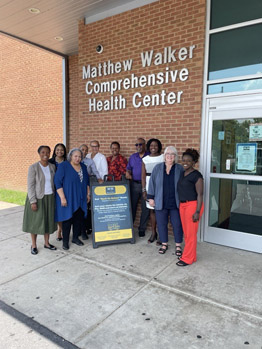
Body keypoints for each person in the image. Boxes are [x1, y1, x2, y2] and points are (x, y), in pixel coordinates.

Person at [147, 146, 184, 255]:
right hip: (160, 201)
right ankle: (164, 244)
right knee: (162, 224)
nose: (170, 156)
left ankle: (178, 245)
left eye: (172, 154)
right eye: (168, 154)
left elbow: (184, 185)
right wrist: (151, 198)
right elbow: (152, 183)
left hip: (175, 202)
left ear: (175, 157)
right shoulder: (157, 168)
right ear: (164, 156)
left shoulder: (179, 169)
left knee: (177, 224)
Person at [22, 145, 57, 255]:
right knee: (35, 222)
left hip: (49, 197)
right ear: (39, 153)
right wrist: (33, 201)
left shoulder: (52, 167)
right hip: (38, 198)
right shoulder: (33, 167)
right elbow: (30, 186)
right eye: (43, 152)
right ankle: (34, 245)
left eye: (47, 152)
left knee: (48, 221)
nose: (45, 154)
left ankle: (47, 243)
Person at [54, 148, 90, 250]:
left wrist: (88, 194)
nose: (77, 158)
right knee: (67, 220)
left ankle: (75, 238)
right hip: (68, 198)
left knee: (78, 219)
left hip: (81, 198)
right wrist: (62, 197)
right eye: (75, 156)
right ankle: (65, 242)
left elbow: (86, 182)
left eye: (79, 156)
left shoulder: (83, 166)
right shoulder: (64, 166)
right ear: (71, 156)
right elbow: (57, 182)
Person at [176, 149, 204, 267]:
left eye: (189, 161)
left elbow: (200, 194)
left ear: (194, 162)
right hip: (183, 205)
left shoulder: (197, 175)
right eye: (184, 160)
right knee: (187, 233)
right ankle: (191, 256)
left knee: (191, 233)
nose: (185, 162)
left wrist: (197, 211)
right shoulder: (183, 173)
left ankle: (187, 259)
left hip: (193, 205)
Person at [126, 138, 150, 237]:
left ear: (145, 145)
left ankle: (142, 229)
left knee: (145, 208)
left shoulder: (149, 156)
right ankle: (130, 228)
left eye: (140, 144)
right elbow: (128, 169)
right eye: (136, 145)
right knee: (132, 207)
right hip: (134, 184)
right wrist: (127, 173)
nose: (138, 146)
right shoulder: (133, 157)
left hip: (146, 185)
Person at [142, 138, 164, 243]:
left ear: (159, 146)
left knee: (161, 210)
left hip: (161, 186)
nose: (153, 147)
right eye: (151, 145)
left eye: (155, 145)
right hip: (149, 185)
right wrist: (143, 190)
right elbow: (143, 176)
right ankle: (153, 233)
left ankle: (161, 234)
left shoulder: (163, 158)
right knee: (152, 210)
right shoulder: (145, 159)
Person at [79, 144, 102, 239]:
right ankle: (78, 230)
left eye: (86, 150)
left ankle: (84, 230)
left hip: (86, 186)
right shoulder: (74, 160)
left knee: (85, 208)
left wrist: (99, 178)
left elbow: (95, 171)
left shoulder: (89, 161)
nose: (84, 151)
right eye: (82, 150)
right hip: (76, 187)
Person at [49, 143, 67, 241]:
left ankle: (61, 230)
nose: (59, 151)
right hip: (52, 189)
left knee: (62, 210)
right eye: (57, 149)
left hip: (64, 189)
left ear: (64, 151)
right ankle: (59, 230)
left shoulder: (67, 162)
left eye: (62, 150)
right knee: (56, 210)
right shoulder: (50, 162)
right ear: (55, 151)